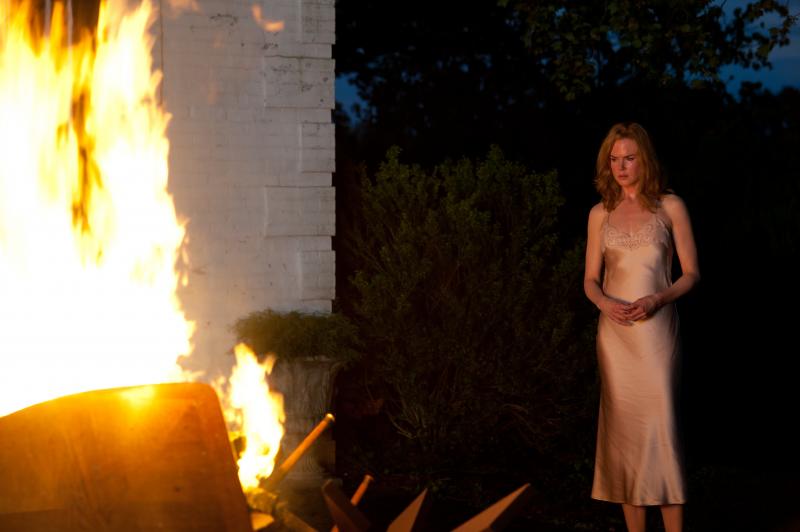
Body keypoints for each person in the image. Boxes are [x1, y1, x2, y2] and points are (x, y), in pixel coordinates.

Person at [583, 122, 700, 532]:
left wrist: (657, 299)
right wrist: (604, 303)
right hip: (615, 338)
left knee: (661, 433)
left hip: (656, 334)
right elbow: (590, 280)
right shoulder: (599, 213)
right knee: (625, 442)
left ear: (644, 160)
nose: (620, 166)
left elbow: (691, 274)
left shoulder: (671, 206)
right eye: (614, 159)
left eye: (629, 158)